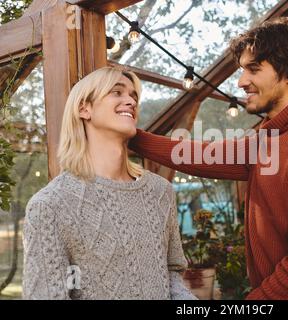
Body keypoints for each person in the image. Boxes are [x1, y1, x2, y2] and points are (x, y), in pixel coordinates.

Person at [129, 17, 288, 299]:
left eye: (253, 69)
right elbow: (196, 154)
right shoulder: (268, 140)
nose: (242, 82)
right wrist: (130, 135)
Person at [22, 67, 196, 300]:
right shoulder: (50, 205)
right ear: (85, 108)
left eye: (134, 96)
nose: (130, 101)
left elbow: (172, 273)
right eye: (117, 92)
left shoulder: (160, 191)